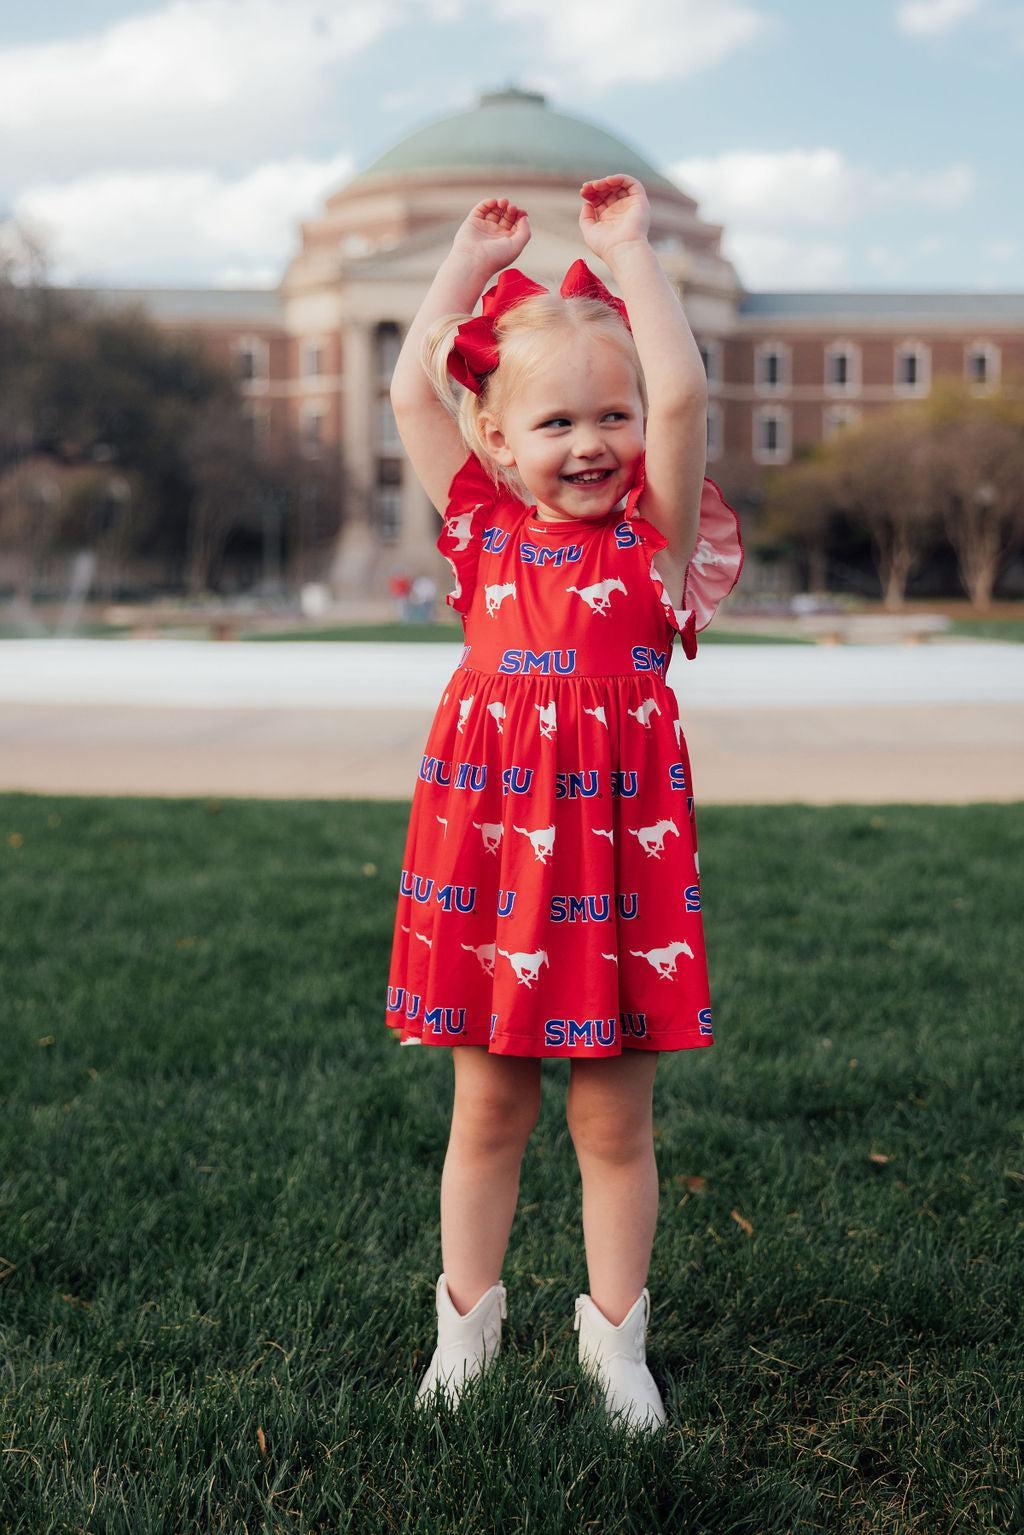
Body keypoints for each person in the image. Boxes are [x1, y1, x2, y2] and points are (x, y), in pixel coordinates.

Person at [384, 179, 744, 1432]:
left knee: (612, 1117)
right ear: (494, 439)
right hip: (491, 855)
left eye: (613, 415)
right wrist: (465, 268)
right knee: (486, 1106)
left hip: (615, 866)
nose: (590, 441)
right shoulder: (481, 530)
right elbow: (412, 389)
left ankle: (614, 1345)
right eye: (555, 421)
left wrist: (629, 257)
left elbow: (686, 393)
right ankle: (465, 1334)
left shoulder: (652, 540)